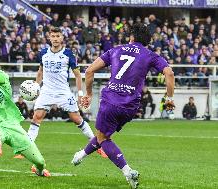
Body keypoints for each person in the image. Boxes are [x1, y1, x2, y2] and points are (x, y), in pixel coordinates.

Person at [71, 23, 175, 189]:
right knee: (102, 135)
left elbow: (89, 71)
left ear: (131, 37)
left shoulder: (115, 50)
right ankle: (80, 155)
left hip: (111, 100)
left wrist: (89, 94)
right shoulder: (150, 55)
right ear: (147, 41)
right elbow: (169, 73)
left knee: (103, 138)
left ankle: (128, 171)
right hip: (131, 106)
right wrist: (169, 99)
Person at [27, 27, 107, 158]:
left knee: (76, 119)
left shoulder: (68, 54)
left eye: (58, 36)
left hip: (63, 92)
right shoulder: (43, 53)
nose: (55, 39)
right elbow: (40, 72)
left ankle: (97, 145)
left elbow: (77, 75)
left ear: (62, 38)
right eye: (53, 36)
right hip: (47, 91)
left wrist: (80, 94)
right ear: (49, 38)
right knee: (37, 116)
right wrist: (36, 87)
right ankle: (27, 147)